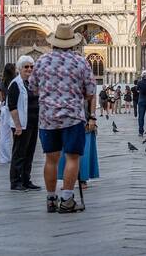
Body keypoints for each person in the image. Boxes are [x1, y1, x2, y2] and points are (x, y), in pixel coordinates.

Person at [28, 24, 96, 213]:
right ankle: (67, 200)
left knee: (51, 159)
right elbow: (90, 92)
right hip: (72, 117)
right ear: (72, 44)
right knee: (72, 158)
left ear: (54, 43)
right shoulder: (80, 62)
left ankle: (50, 199)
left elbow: (32, 88)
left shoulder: (41, 61)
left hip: (47, 117)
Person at [8, 55, 40, 191]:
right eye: (26, 67)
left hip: (33, 123)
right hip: (21, 125)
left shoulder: (31, 83)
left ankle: (26, 180)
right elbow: (12, 106)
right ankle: (15, 182)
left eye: (31, 67)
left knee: (29, 153)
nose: (29, 69)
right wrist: (18, 126)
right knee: (19, 153)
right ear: (20, 69)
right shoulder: (15, 84)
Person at [0, 62, 16, 164]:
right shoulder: (16, 81)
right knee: (16, 132)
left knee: (4, 134)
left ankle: (5, 157)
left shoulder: (2, 83)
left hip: (5, 108)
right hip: (15, 108)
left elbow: (1, 98)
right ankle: (16, 154)